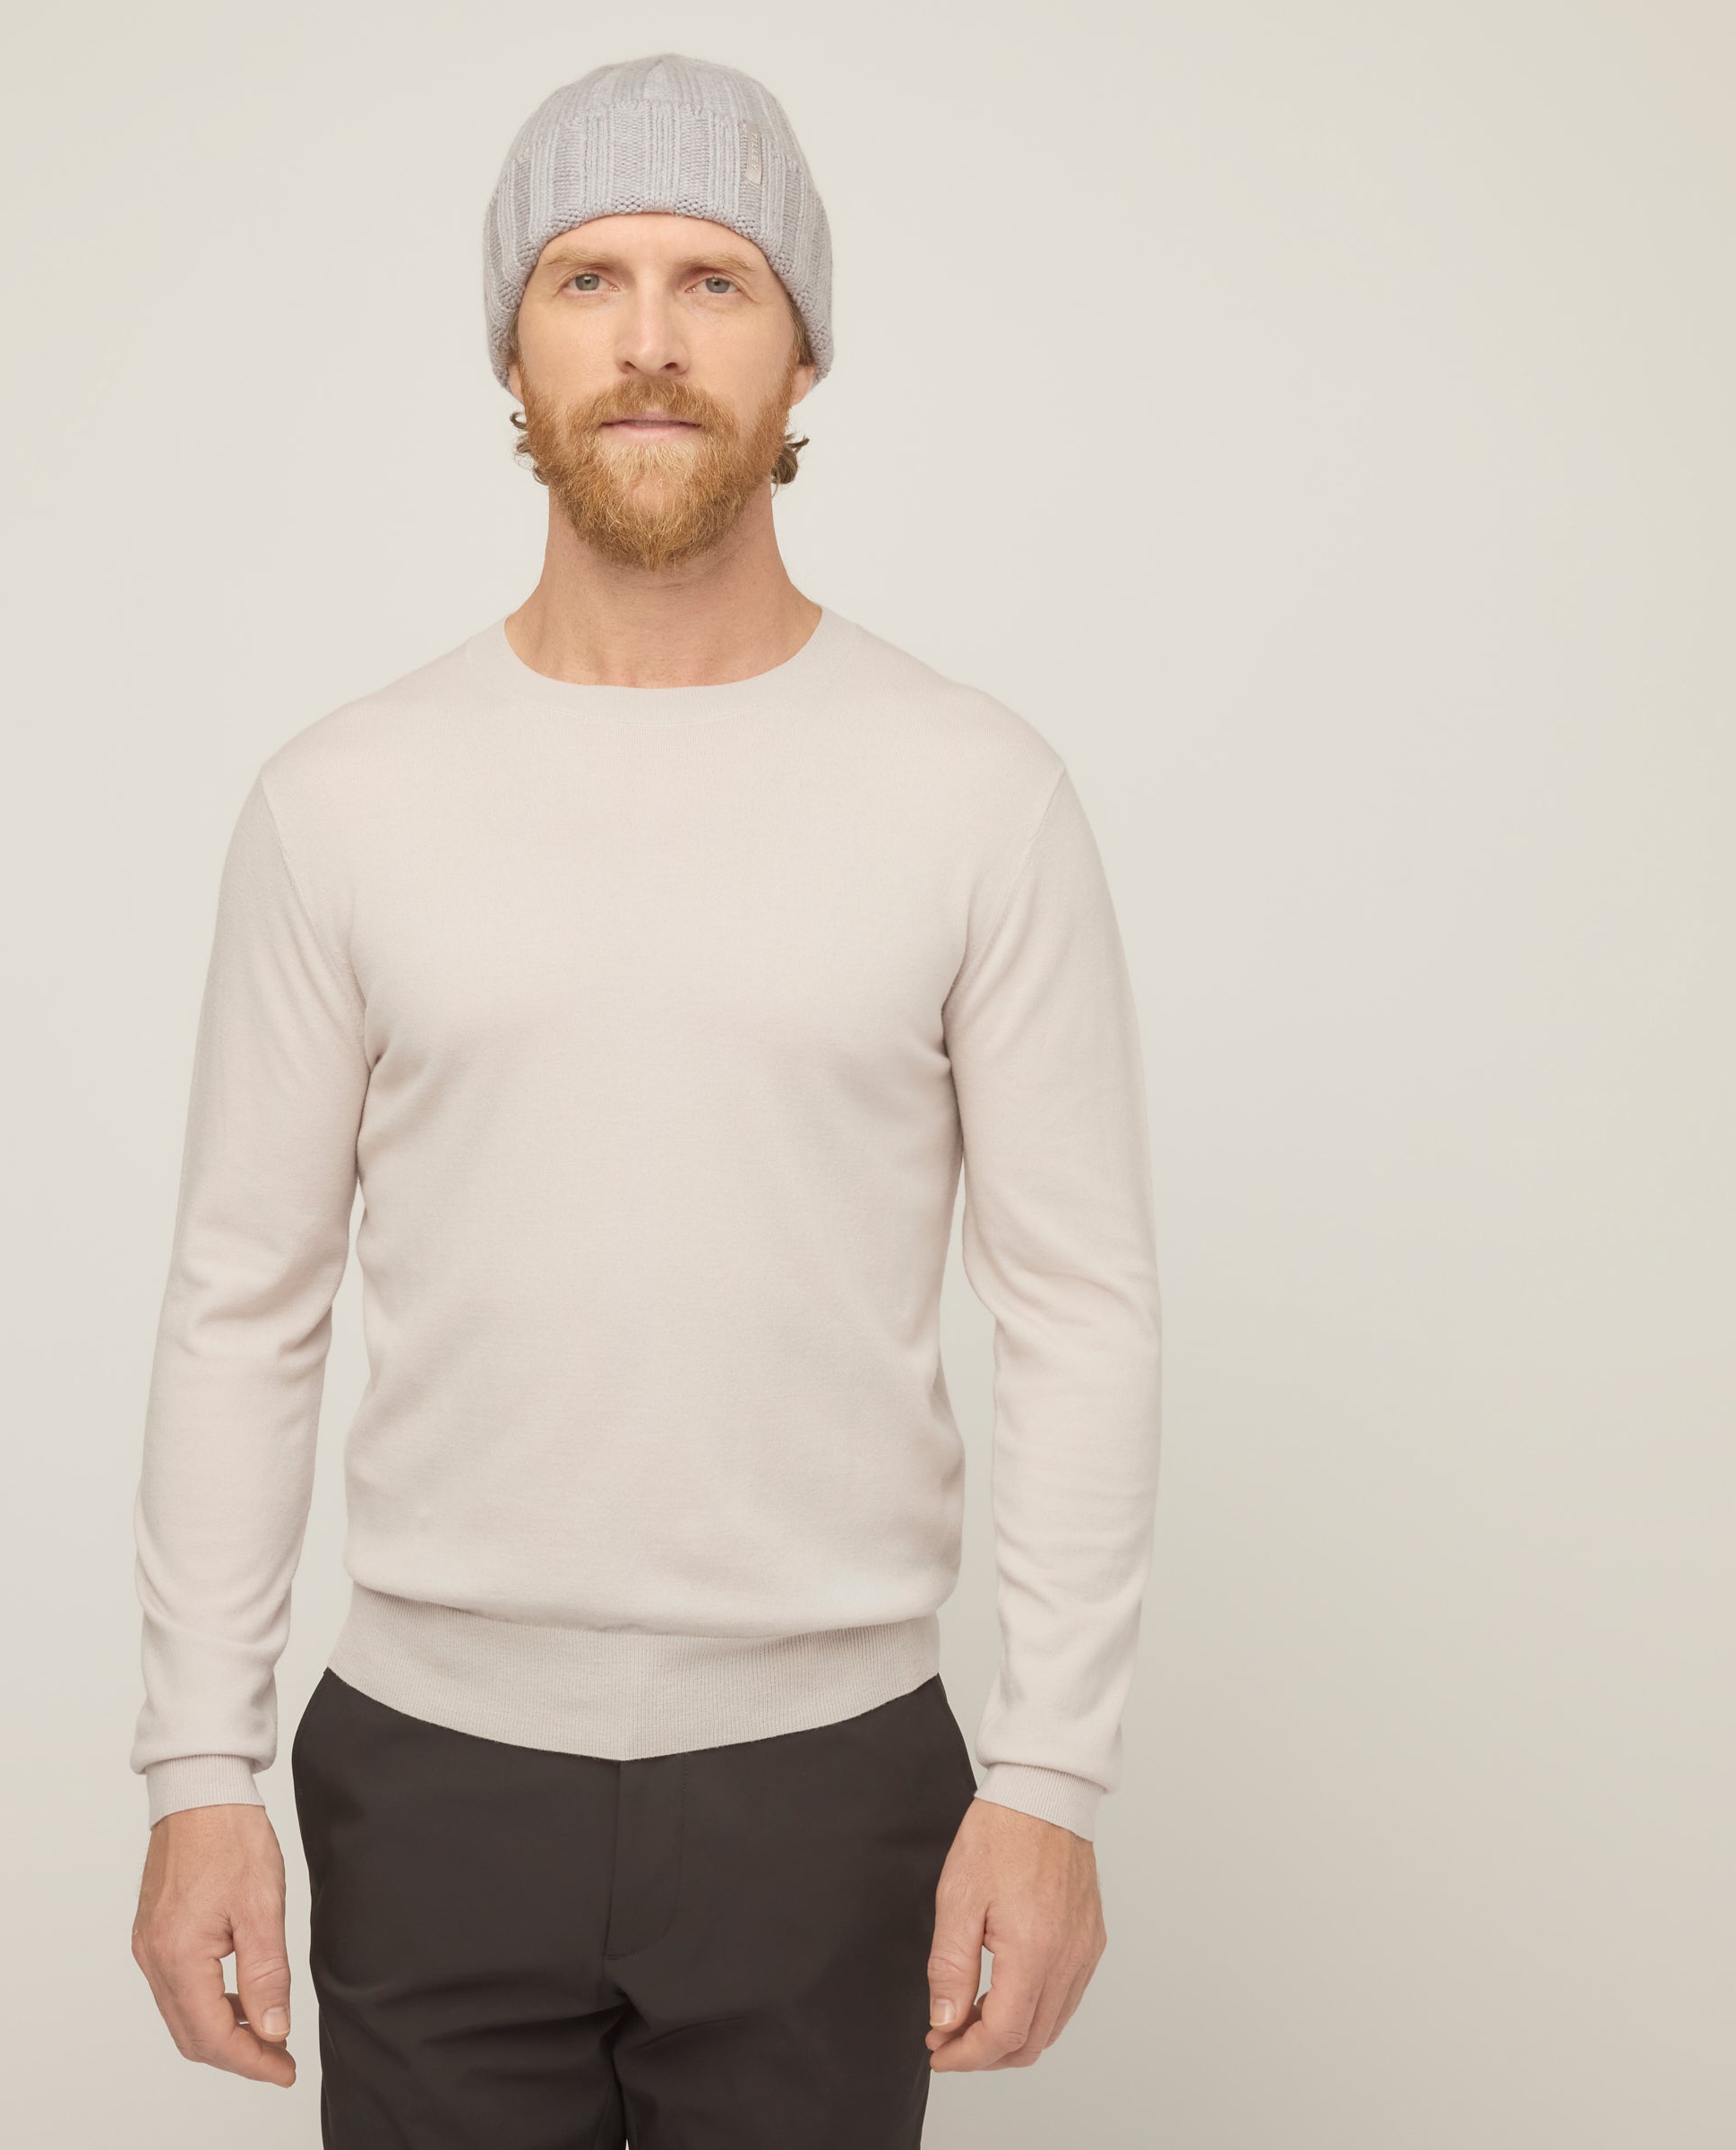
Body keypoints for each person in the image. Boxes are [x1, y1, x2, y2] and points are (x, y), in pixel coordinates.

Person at [127, 50, 1163, 2146]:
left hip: (833, 1784)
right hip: (429, 1778)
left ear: (804, 352)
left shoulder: (977, 794)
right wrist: (197, 1768)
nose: (652, 341)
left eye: (717, 279)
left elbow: (1081, 1301)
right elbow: (243, 1298)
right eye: (588, 278)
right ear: (514, 344)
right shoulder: (344, 803)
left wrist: (1052, 1777)